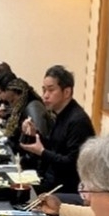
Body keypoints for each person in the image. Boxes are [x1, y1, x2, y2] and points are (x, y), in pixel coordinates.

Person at [21, 65, 95, 193]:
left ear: (66, 92)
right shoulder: (60, 113)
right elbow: (55, 145)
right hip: (51, 180)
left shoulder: (78, 121)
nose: (45, 96)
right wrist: (35, 134)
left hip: (65, 188)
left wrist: (42, 152)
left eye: (51, 90)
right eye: (44, 90)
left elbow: (72, 164)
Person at [0, 71, 48, 158]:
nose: (0, 97)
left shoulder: (33, 108)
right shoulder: (21, 102)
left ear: (10, 90)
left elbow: (35, 144)